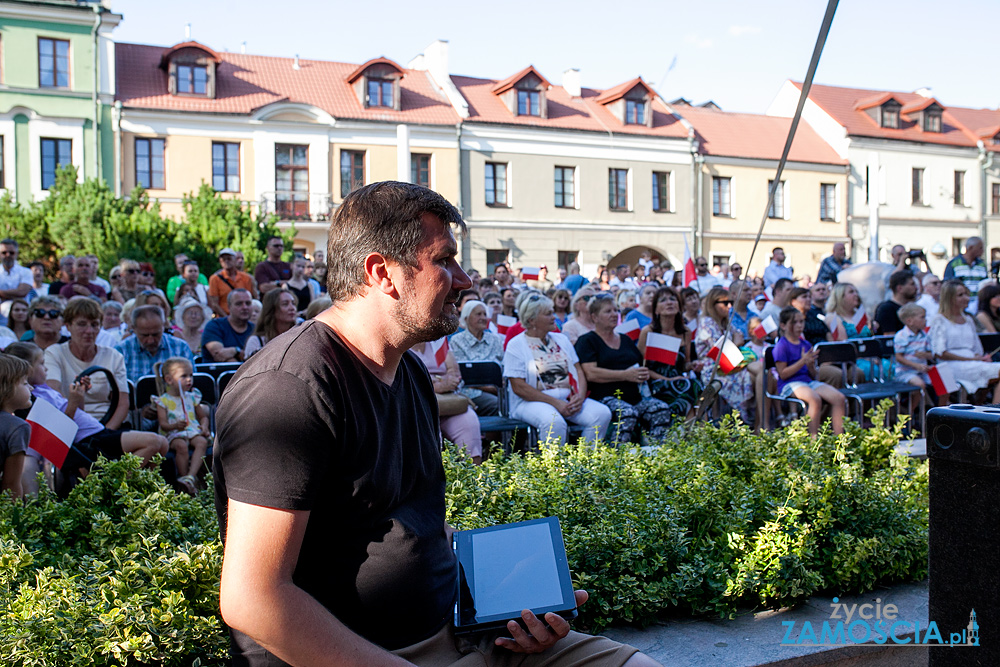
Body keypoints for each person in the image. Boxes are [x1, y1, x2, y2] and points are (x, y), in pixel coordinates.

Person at [214, 181, 648, 666]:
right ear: (382, 273)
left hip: (470, 634)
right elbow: (252, 599)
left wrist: (506, 612)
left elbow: (423, 525)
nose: (464, 280)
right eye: (444, 260)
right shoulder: (288, 388)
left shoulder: (410, 371)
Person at [7, 342, 167, 493]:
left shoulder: (44, 390)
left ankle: (137, 488)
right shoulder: (32, 398)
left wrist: (79, 397)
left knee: (162, 445)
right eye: (41, 364)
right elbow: (59, 434)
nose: (46, 368)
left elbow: (77, 414)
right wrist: (73, 402)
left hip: (97, 432)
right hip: (88, 442)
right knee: (153, 443)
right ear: (27, 370)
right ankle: (114, 488)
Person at [504, 294, 612, 447]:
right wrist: (555, 403)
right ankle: (555, 468)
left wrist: (579, 397)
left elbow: (578, 370)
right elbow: (518, 387)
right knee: (554, 421)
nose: (553, 317)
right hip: (529, 402)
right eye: (548, 313)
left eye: (552, 312)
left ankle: (587, 463)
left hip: (568, 399)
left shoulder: (561, 339)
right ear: (531, 320)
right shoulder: (516, 345)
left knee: (601, 414)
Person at [575, 294, 672, 443]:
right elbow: (591, 373)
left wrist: (642, 374)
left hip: (635, 396)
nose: (614, 315)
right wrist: (625, 375)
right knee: (626, 413)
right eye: (608, 311)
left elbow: (638, 365)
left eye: (616, 310)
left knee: (660, 409)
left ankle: (657, 454)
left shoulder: (625, 339)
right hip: (603, 398)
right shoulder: (587, 341)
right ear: (594, 317)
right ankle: (618, 457)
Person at [45, 297, 130, 429]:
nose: (89, 331)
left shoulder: (114, 356)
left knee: (156, 443)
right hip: (68, 422)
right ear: (68, 326)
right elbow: (53, 394)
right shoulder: (54, 353)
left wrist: (105, 433)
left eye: (94, 325)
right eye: (82, 324)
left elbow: (122, 403)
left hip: (107, 423)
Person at [772, 306, 846, 436]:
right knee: (814, 399)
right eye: (794, 322)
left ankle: (839, 439)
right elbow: (783, 374)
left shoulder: (805, 344)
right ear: (783, 326)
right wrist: (802, 361)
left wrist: (811, 365)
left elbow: (813, 375)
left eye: (801, 322)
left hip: (807, 382)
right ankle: (812, 440)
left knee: (839, 398)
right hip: (789, 384)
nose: (799, 325)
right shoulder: (781, 345)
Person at [411, 338, 483, 464]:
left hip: (448, 400)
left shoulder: (437, 342)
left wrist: (448, 382)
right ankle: (434, 475)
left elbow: (454, 372)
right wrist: (436, 386)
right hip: (417, 401)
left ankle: (473, 475)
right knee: (428, 429)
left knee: (469, 421)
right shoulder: (402, 345)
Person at [637, 286, 704, 418]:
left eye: (673, 299)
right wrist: (668, 379)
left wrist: (693, 365)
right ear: (656, 309)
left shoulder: (685, 332)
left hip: (681, 381)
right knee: (692, 386)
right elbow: (642, 367)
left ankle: (694, 431)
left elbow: (686, 364)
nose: (669, 303)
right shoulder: (648, 331)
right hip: (655, 383)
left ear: (679, 306)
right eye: (663, 300)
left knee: (697, 386)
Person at [930, 280, 1000, 403]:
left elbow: (976, 348)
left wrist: (981, 358)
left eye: (966, 294)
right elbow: (940, 353)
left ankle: (988, 407)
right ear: (950, 298)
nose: (966, 298)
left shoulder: (968, 320)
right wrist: (972, 359)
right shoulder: (939, 320)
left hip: (973, 363)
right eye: (960, 295)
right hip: (950, 366)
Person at [695, 287, 755, 423]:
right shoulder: (707, 324)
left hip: (730, 365)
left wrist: (734, 342)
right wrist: (735, 343)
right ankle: (752, 421)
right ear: (713, 304)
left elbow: (738, 334)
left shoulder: (724, 322)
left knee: (761, 373)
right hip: (714, 370)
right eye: (725, 303)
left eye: (731, 303)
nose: (729, 306)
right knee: (754, 374)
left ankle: (760, 420)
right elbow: (720, 352)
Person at [154, 356, 210, 495]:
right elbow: (163, 424)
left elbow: (202, 416)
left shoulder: (192, 397)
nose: (189, 379)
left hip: (191, 430)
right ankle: (183, 478)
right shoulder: (163, 401)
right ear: (169, 379)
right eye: (184, 376)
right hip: (173, 433)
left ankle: (191, 476)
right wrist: (174, 426)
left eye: (191, 375)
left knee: (202, 442)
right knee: (181, 446)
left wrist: (204, 426)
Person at [115, 304, 195, 383]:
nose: (150, 340)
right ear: (134, 329)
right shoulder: (121, 351)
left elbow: (192, 383)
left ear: (163, 326)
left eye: (155, 334)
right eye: (145, 335)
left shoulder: (180, 347)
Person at [450, 300, 503, 416]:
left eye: (485, 314)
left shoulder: (495, 339)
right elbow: (464, 375)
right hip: (470, 391)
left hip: (498, 390)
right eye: (478, 314)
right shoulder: (457, 341)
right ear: (466, 318)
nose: (483, 318)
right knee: (497, 405)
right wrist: (490, 388)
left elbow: (503, 367)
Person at [0, 353, 32, 499]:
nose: (31, 388)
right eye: (25, 383)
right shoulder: (16, 427)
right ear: (6, 389)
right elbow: (11, 485)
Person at [892, 304, 934, 407]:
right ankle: (909, 413)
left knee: (944, 382)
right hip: (905, 372)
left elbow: (932, 354)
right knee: (919, 385)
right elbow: (899, 357)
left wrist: (926, 355)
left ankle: (941, 410)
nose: (925, 320)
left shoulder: (924, 335)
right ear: (909, 321)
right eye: (922, 317)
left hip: (923, 370)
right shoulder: (901, 336)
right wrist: (916, 366)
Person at [201, 289, 255, 363]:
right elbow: (220, 355)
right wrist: (238, 351)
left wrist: (235, 351)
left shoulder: (255, 329)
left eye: (248, 303)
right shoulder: (215, 326)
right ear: (229, 307)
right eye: (239, 304)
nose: (245, 307)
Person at [243, 289, 299, 358]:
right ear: (272, 309)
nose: (292, 308)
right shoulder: (256, 342)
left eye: (293, 303)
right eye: (285, 304)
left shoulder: (300, 338)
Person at [208, 248, 258, 317]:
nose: (226, 261)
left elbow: (252, 299)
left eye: (229, 259)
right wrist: (228, 319)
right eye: (223, 259)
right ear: (220, 262)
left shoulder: (246, 278)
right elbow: (214, 304)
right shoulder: (215, 279)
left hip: (244, 317)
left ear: (235, 260)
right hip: (224, 318)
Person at [943, 237, 988, 306]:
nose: (982, 251)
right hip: (959, 305)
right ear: (970, 248)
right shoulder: (954, 263)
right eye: (980, 248)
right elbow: (948, 285)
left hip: (978, 304)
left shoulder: (982, 264)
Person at [0, 239, 34, 325]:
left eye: (11, 252)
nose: (8, 255)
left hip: (21, 319)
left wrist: (2, 293)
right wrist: (14, 293)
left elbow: (22, 292)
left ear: (17, 253)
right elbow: (19, 292)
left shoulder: (26, 272)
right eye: (4, 253)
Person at [874, 271, 918, 336]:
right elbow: (889, 338)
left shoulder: (914, 306)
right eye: (912, 284)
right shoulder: (886, 309)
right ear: (900, 288)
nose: (916, 288)